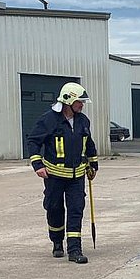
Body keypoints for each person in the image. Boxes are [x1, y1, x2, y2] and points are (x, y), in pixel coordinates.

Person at [26, 82, 98, 264]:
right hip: (54, 176)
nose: (82, 105)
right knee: (54, 208)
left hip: (77, 176)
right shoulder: (48, 120)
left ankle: (75, 250)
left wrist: (93, 165)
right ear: (69, 100)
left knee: (76, 210)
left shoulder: (83, 120)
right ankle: (57, 241)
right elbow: (33, 141)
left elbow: (89, 144)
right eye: (79, 101)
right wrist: (37, 164)